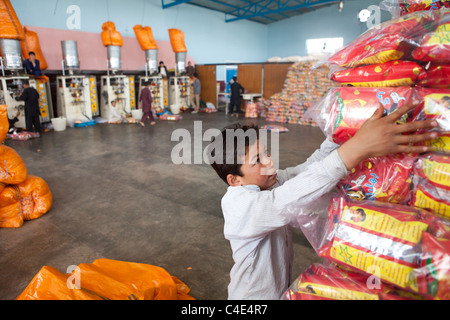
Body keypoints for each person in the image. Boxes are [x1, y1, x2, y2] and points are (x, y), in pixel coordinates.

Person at [206, 101, 438, 300]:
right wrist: (356, 149)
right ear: (234, 180)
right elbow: (287, 198)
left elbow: (308, 170)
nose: (270, 163)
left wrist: (342, 132)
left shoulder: (268, 182)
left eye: (266, 152)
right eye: (258, 160)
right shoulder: (239, 206)